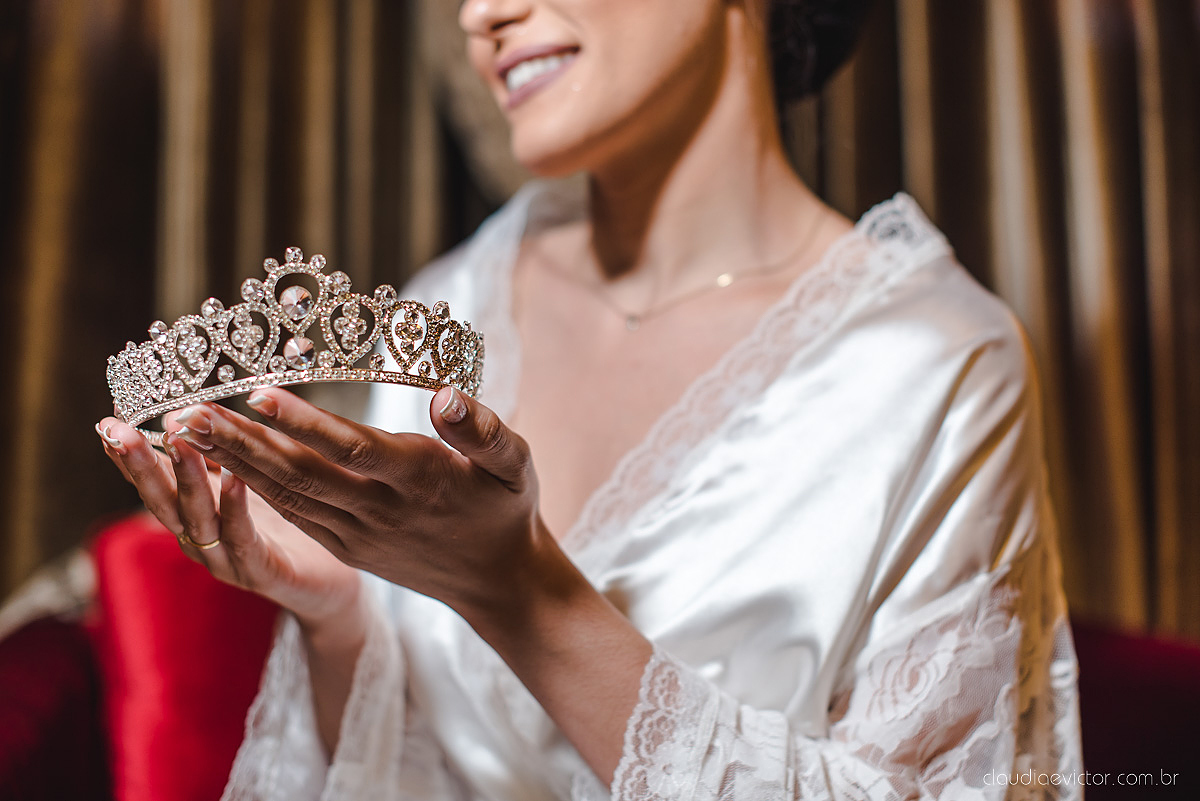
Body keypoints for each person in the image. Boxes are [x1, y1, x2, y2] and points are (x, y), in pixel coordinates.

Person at [97, 0, 1083, 798]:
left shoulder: (934, 365)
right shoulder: (450, 307)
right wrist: (338, 616)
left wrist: (519, 595)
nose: (479, 15)